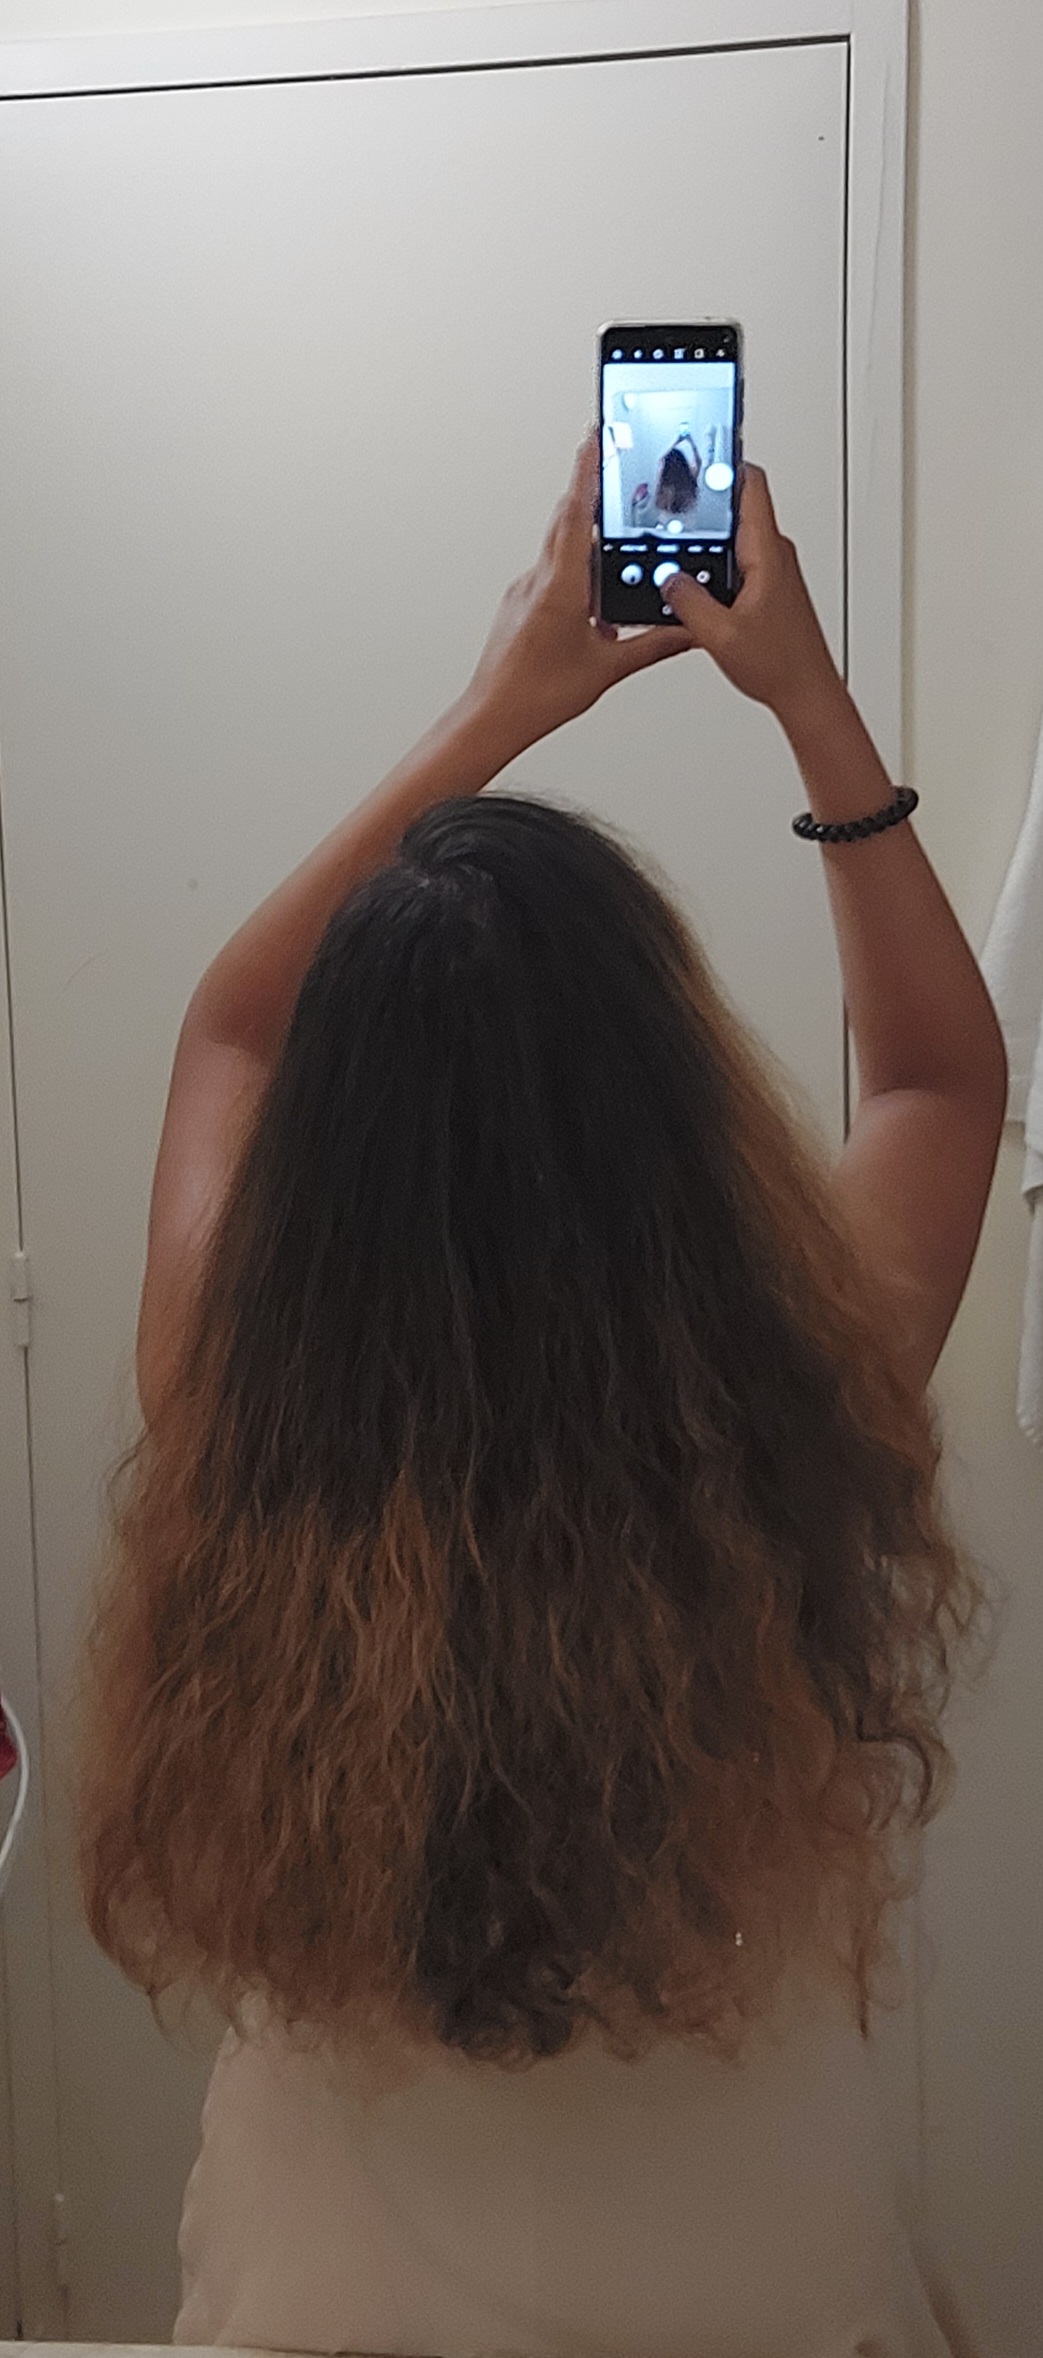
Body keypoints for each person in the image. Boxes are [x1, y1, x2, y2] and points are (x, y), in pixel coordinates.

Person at [78, 437, 1004, 2357]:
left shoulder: (234, 1401)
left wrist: (500, 701)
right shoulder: (788, 1405)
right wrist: (805, 698)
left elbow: (234, 1023)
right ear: (677, 1112)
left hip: (315, 2309)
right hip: (755, 2308)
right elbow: (936, 1079)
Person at [656, 427, 701, 521]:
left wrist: (676, 441)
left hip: (666, 520)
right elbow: (698, 462)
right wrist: (691, 443)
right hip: (687, 521)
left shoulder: (664, 481)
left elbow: (661, 460)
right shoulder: (689, 479)